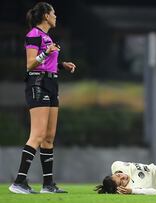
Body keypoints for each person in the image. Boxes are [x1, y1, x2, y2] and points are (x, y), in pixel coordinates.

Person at [9, 2, 76, 194]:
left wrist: (62, 65)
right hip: (37, 84)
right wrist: (46, 52)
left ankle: (48, 185)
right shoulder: (34, 35)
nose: (56, 16)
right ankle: (19, 182)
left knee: (48, 137)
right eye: (53, 13)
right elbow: (30, 64)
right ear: (46, 15)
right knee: (37, 135)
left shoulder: (46, 37)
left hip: (51, 84)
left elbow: (45, 63)